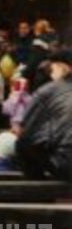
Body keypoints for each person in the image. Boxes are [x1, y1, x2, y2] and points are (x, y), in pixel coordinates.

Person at [15, 50, 71, 180]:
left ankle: (37, 187)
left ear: (61, 67)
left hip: (67, 165)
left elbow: (27, 131)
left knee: (23, 144)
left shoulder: (48, 90)